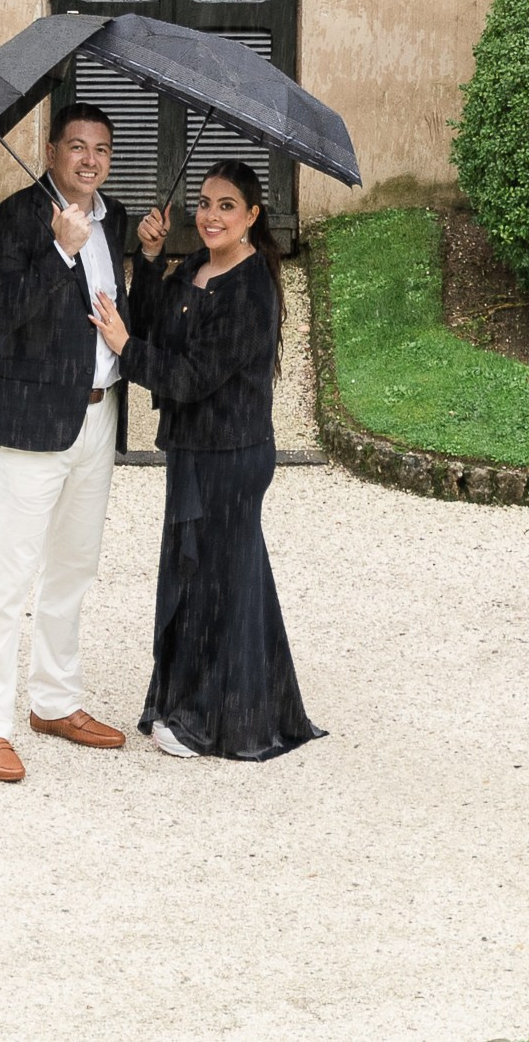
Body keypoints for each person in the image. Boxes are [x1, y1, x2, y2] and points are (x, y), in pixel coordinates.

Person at [90, 158, 323, 763]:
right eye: (204, 202)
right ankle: (239, 705)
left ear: (252, 216)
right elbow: (156, 324)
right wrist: (146, 258)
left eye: (226, 205)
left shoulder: (251, 288)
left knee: (213, 580)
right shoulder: (194, 266)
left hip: (232, 455)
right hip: (194, 451)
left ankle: (207, 722)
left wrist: (124, 350)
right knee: (223, 578)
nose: (211, 215)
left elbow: (190, 378)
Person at [0, 106, 134, 785]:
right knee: (6, 579)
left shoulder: (111, 217)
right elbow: (2, 315)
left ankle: (55, 702)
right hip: (29, 425)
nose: (89, 160)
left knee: (73, 570)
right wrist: (59, 249)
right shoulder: (9, 221)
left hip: (97, 417)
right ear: (52, 151)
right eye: (77, 147)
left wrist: (142, 258)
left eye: (102, 149)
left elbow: (109, 310)